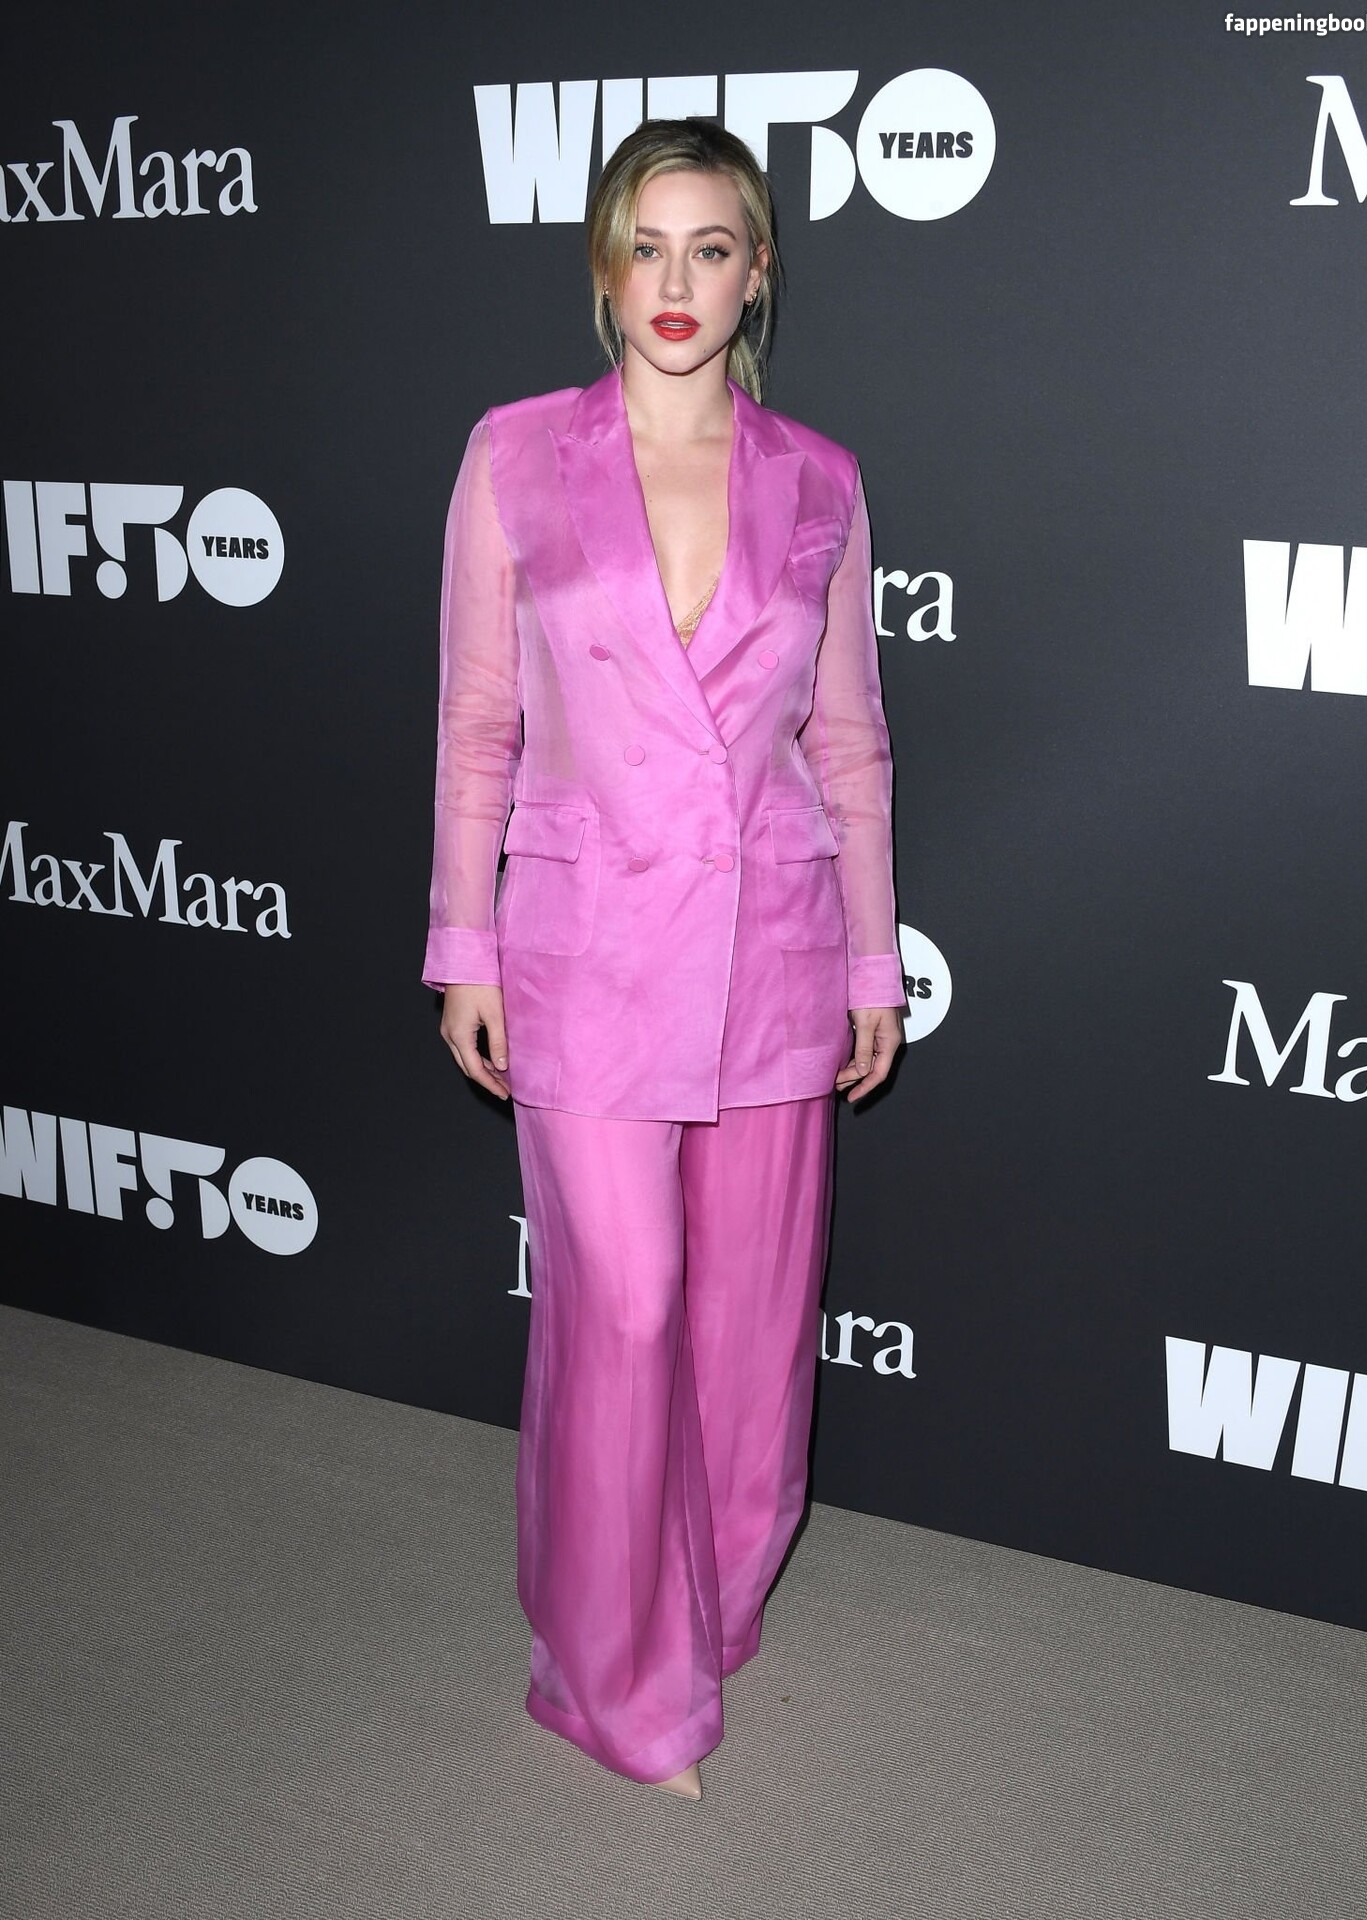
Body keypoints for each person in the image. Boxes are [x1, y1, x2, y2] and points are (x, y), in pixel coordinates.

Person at [422, 118, 905, 1801]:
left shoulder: (821, 478)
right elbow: (478, 721)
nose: (677, 281)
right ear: (604, 268)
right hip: (585, 950)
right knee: (621, 1309)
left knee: (751, 1328)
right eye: (647, 245)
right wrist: (463, 941)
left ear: (758, 274)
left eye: (712, 247)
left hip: (775, 952)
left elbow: (850, 742)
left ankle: (714, 1598)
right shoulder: (515, 455)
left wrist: (870, 967)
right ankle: (614, 1678)